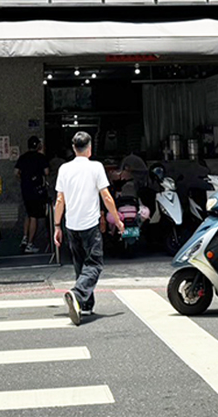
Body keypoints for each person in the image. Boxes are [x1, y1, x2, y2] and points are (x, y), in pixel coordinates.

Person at [53, 131, 124, 325]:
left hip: (71, 225)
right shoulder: (96, 167)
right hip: (90, 225)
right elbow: (107, 197)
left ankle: (84, 304)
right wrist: (117, 220)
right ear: (90, 148)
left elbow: (60, 200)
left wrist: (57, 225)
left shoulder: (64, 169)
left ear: (74, 148)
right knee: (94, 264)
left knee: (80, 265)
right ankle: (77, 294)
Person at [14, 136, 50, 253]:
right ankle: (30, 243)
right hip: (37, 190)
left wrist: (24, 179)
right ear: (38, 146)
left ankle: (25, 238)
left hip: (25, 189)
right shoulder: (41, 157)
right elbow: (46, 172)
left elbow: (16, 172)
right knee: (34, 216)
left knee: (28, 214)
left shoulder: (23, 157)